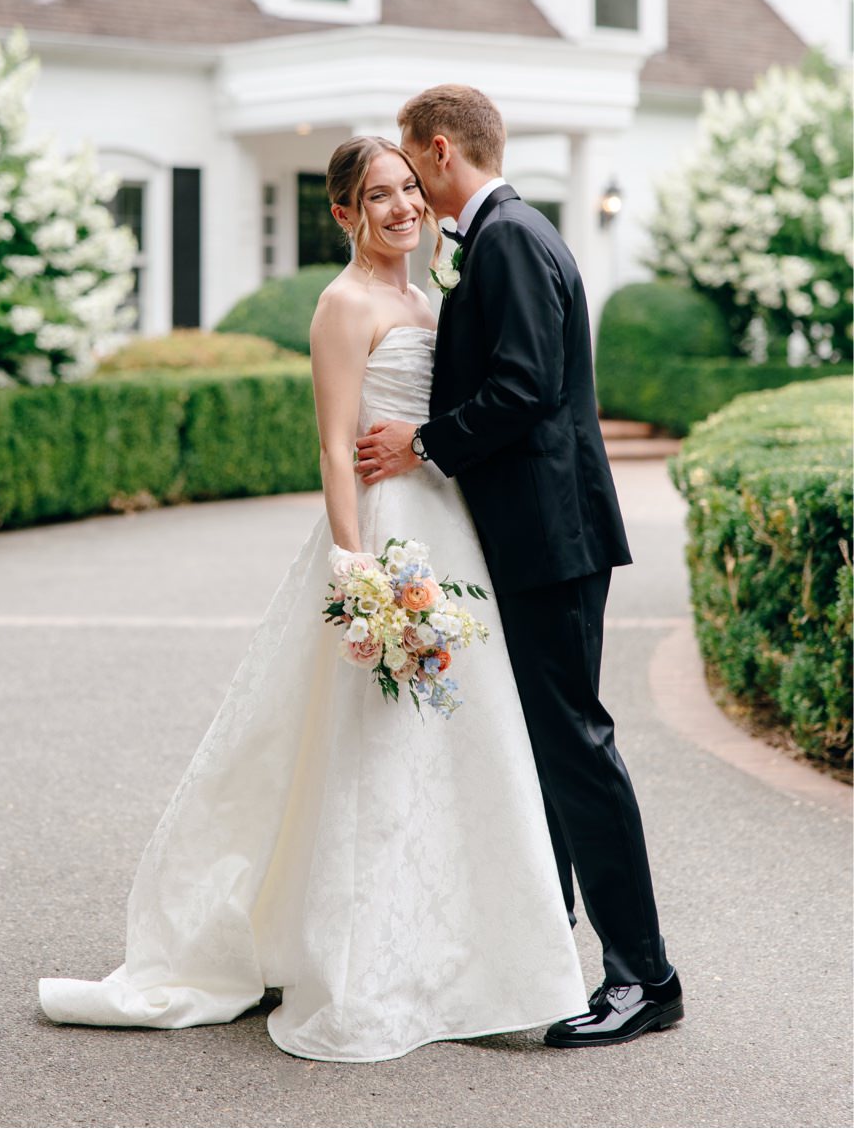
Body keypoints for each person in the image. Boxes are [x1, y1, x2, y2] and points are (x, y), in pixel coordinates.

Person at [38, 134, 589, 1062]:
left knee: (470, 739)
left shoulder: (426, 294)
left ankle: (471, 955)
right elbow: (337, 446)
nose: (403, 207)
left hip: (453, 530)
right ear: (343, 213)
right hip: (383, 533)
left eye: (410, 189)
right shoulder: (341, 305)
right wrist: (355, 565)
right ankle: (362, 955)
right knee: (371, 748)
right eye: (379, 196)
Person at [356, 83, 680, 1048]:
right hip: (534, 535)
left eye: (413, 165)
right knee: (546, 749)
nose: (410, 185)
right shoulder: (500, 238)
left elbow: (527, 387)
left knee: (576, 746)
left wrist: (425, 440)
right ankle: (549, 951)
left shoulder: (509, 240)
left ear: (442, 150)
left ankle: (645, 975)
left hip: (553, 536)